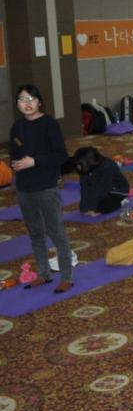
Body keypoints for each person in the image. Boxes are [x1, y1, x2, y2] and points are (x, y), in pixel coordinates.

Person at [11, 84, 73, 293]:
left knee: (56, 232)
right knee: (35, 233)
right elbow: (14, 154)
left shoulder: (49, 124)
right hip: (24, 188)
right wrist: (15, 164)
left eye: (31, 99)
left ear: (39, 102)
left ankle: (67, 277)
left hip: (46, 187)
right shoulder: (17, 127)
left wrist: (34, 161)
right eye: (22, 100)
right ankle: (44, 274)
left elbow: (61, 156)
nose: (27, 103)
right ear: (17, 104)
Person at [69, 146, 130, 216]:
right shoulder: (85, 168)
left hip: (117, 190)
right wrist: (84, 207)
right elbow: (84, 188)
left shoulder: (107, 166)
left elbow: (104, 188)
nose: (78, 167)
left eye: (79, 164)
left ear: (88, 162)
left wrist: (94, 208)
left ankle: (121, 202)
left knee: (101, 206)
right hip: (98, 187)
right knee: (88, 203)